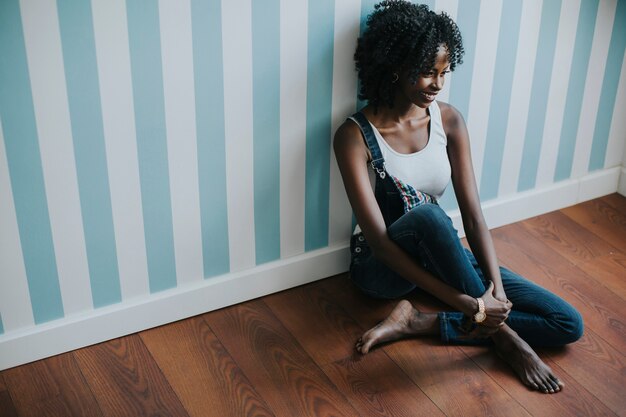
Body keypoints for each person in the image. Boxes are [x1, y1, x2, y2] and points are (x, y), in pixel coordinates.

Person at [333, 0, 583, 394]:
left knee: (568, 323)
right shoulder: (354, 135)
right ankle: (510, 343)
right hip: (382, 270)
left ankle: (419, 322)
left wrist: (495, 290)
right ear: (396, 66)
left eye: (443, 72)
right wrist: (472, 305)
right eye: (426, 72)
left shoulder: (448, 120)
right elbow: (380, 244)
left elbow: (474, 217)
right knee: (432, 218)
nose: (437, 83)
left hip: (438, 251)